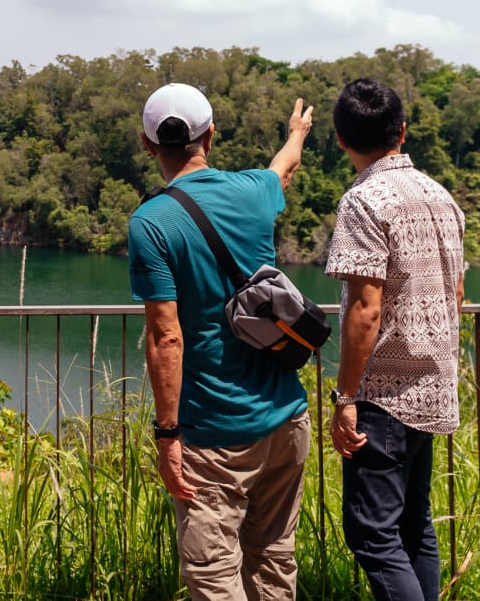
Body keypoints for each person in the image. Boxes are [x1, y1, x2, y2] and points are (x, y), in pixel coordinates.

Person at [129, 82, 315, 600]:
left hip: (214, 432)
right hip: (285, 416)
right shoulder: (254, 191)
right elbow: (285, 166)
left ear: (148, 146)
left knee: (213, 574)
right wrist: (296, 133)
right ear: (210, 135)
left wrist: (168, 436)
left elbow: (167, 337)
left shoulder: (151, 224)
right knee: (275, 558)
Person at [325, 78, 466, 601]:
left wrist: (345, 398)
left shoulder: (363, 202)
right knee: (413, 527)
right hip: (431, 389)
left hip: (382, 397)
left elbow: (365, 311)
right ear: (402, 132)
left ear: (340, 139)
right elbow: (456, 292)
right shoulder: (439, 195)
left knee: (373, 536)